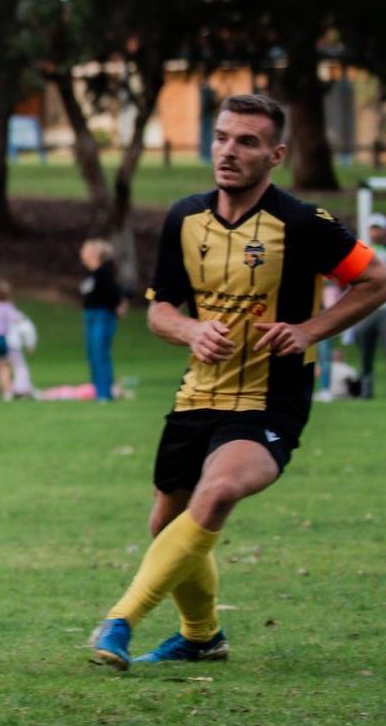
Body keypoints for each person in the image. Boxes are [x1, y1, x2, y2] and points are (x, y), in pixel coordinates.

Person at [88, 94, 386, 670]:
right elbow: (160, 311)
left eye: (247, 141)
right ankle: (201, 637)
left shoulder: (301, 222)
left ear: (275, 155)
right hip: (198, 393)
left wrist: (309, 331)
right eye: (222, 137)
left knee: (220, 489)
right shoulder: (184, 217)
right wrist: (192, 330)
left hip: (271, 398)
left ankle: (119, 621)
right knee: (166, 524)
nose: (228, 150)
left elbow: (376, 278)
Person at [79, 239, 127, 402]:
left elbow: (115, 293)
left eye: (85, 250)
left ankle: (104, 394)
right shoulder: (92, 274)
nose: (82, 253)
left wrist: (119, 305)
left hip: (102, 316)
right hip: (90, 316)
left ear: (95, 254)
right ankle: (98, 391)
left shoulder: (105, 273)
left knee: (100, 354)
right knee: (92, 354)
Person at [355, 216, 386, 398]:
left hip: (385, 310)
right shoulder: (363, 252)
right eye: (373, 229)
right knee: (364, 352)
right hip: (368, 310)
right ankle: (365, 391)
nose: (375, 232)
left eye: (378, 229)